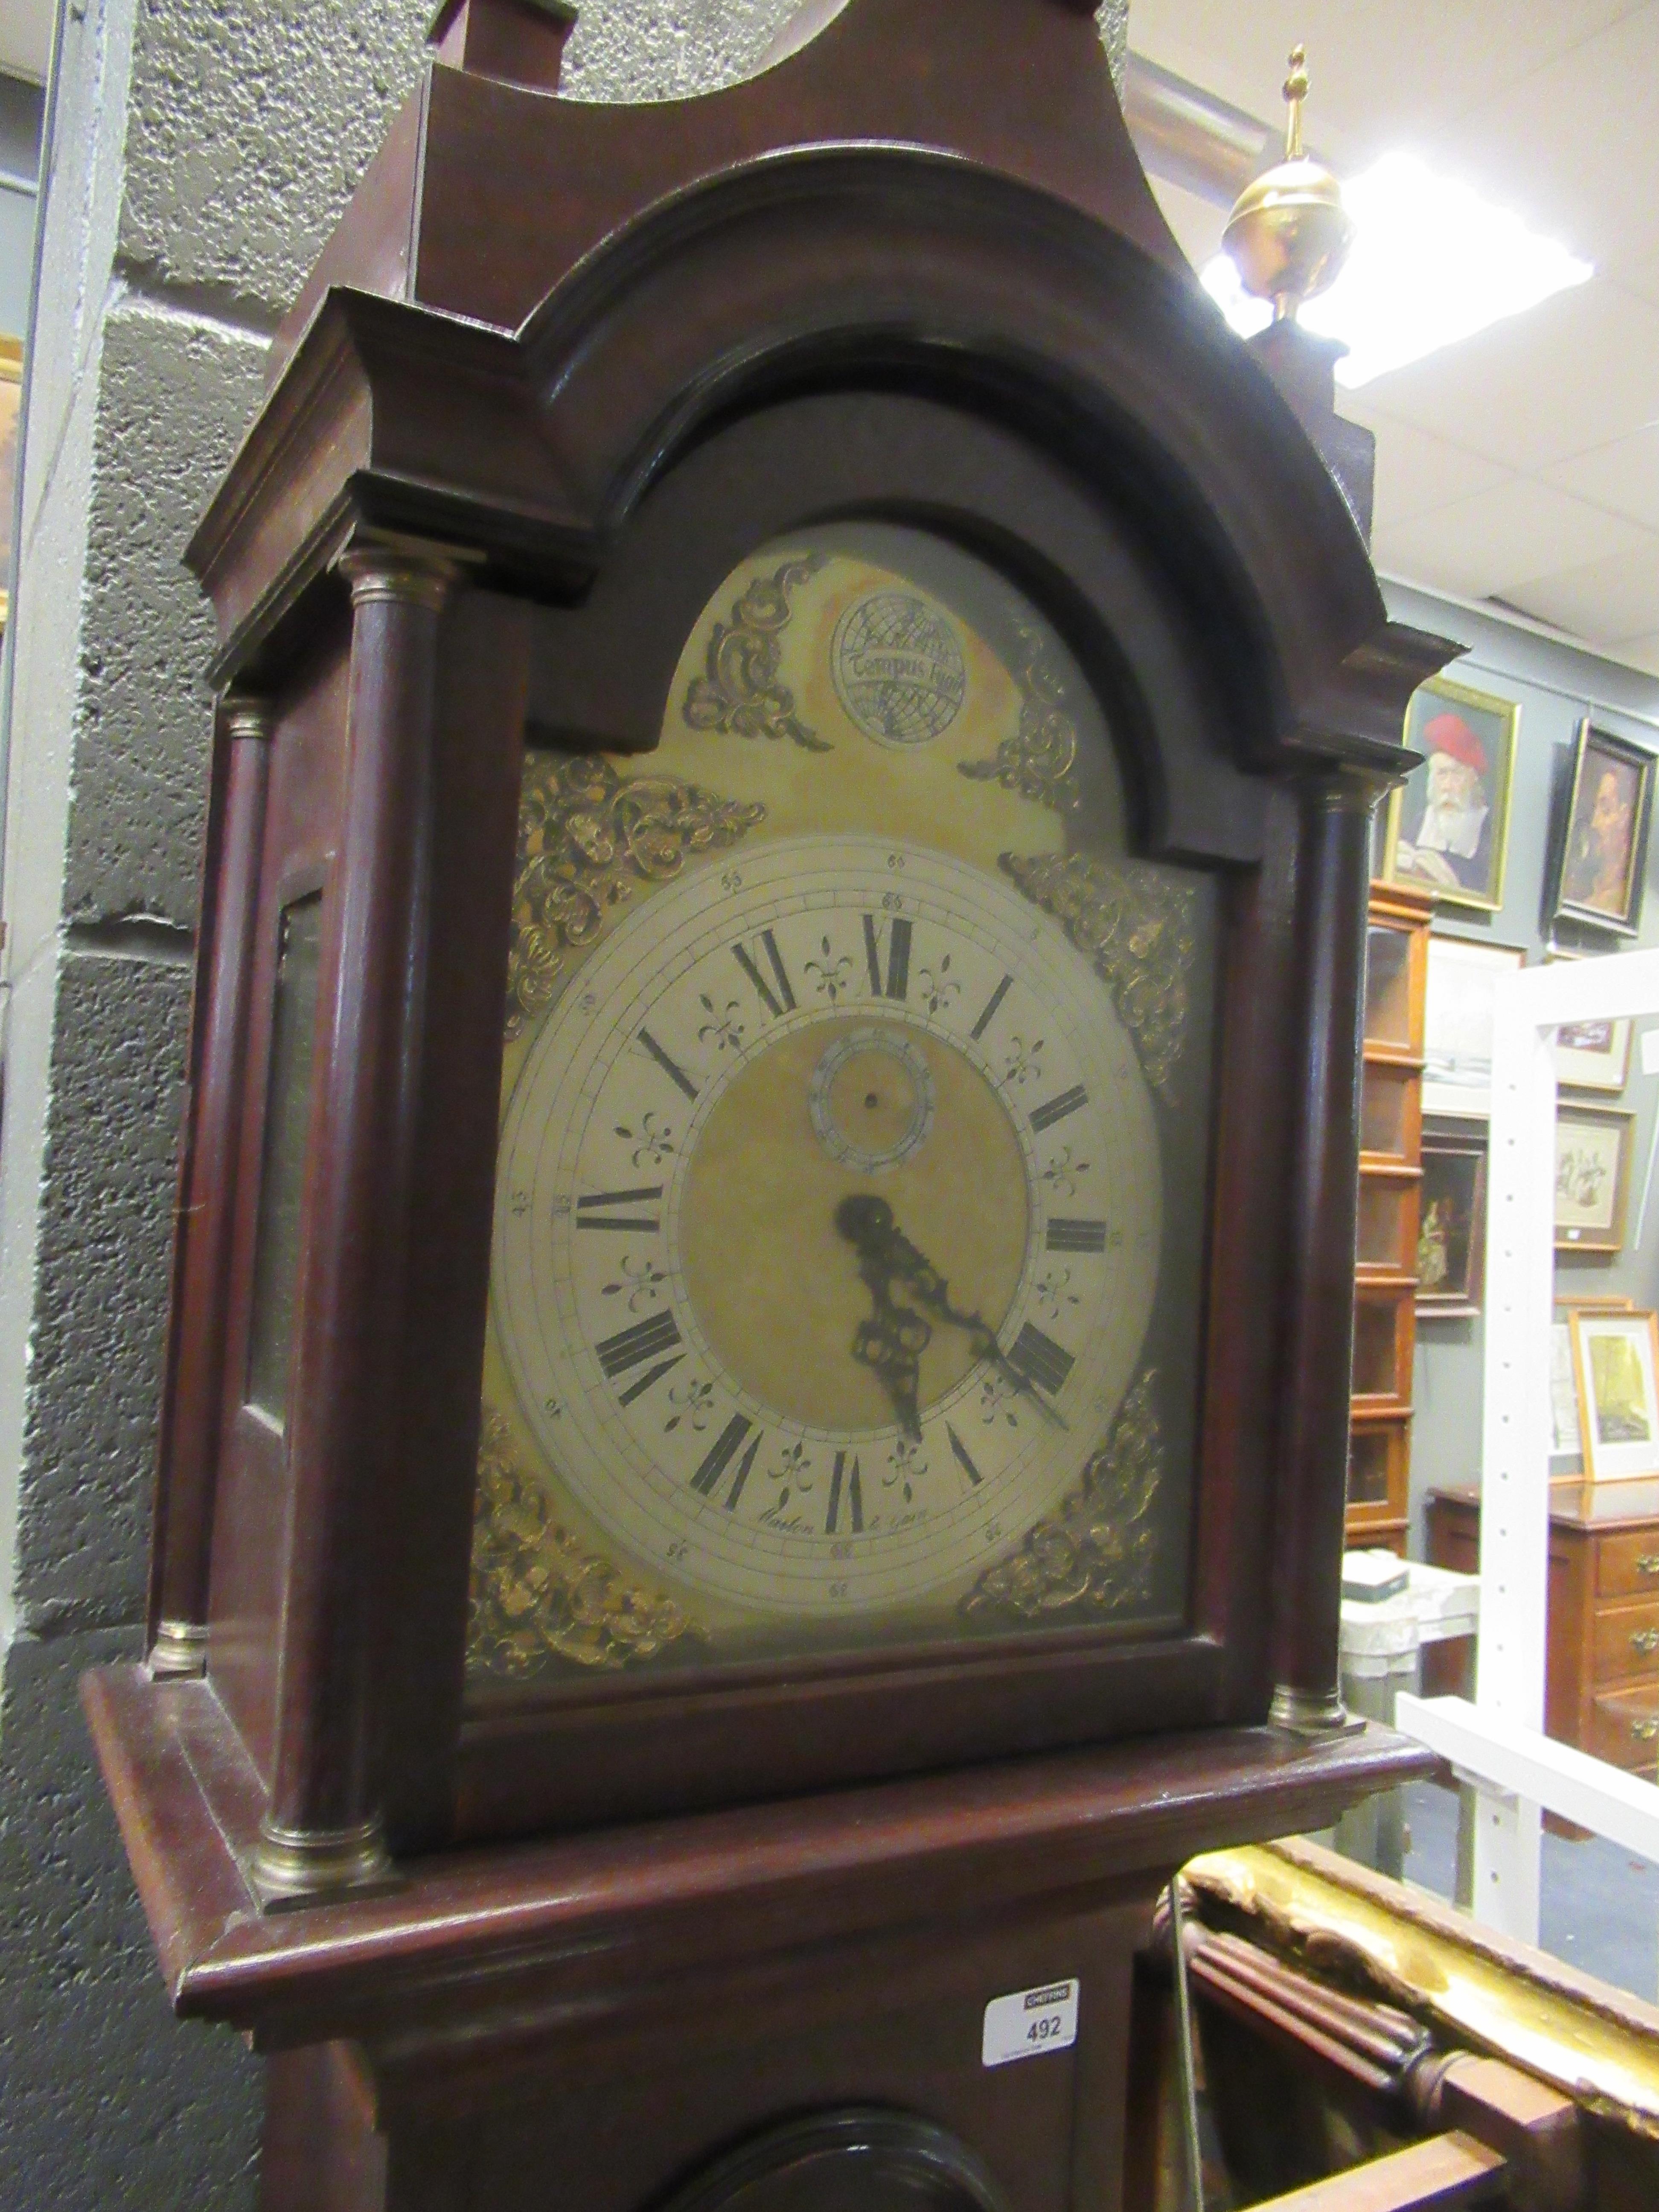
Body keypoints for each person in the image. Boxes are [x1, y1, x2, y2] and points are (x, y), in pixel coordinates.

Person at [1396, 713, 1492, 894]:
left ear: (1472, 781)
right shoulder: (1422, 821)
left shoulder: (1487, 828)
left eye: (1456, 775)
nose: (1447, 787)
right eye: (1442, 774)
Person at [1563, 759, 1636, 917]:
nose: (1594, 824)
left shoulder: (1618, 898)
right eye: (1596, 808)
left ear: (1624, 818)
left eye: (1606, 810)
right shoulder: (1584, 887)